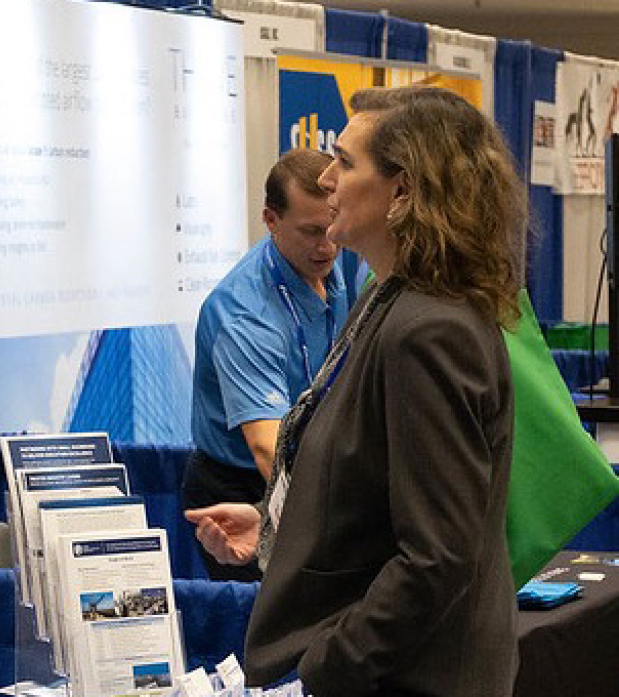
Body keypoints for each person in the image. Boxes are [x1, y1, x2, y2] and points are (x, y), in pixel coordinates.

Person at [185, 85, 523, 696]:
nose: (329, 179)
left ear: (402, 192)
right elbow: (374, 488)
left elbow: (438, 556)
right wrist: (271, 526)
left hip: (406, 679)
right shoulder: (389, 298)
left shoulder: (430, 330)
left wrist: (327, 665)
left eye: (344, 161)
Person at [186, 148, 346, 581]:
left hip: (312, 468)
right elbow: (267, 449)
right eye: (311, 232)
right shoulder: (245, 315)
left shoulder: (329, 256)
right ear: (270, 220)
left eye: (332, 226)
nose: (327, 245)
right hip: (246, 488)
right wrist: (339, 517)